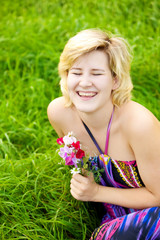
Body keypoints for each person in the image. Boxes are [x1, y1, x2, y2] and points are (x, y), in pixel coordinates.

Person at [47, 29, 160, 239]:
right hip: (114, 217)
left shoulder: (139, 124)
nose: (85, 83)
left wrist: (97, 193)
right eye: (76, 72)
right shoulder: (59, 113)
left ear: (115, 80)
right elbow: (79, 167)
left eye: (97, 73)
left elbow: (158, 196)